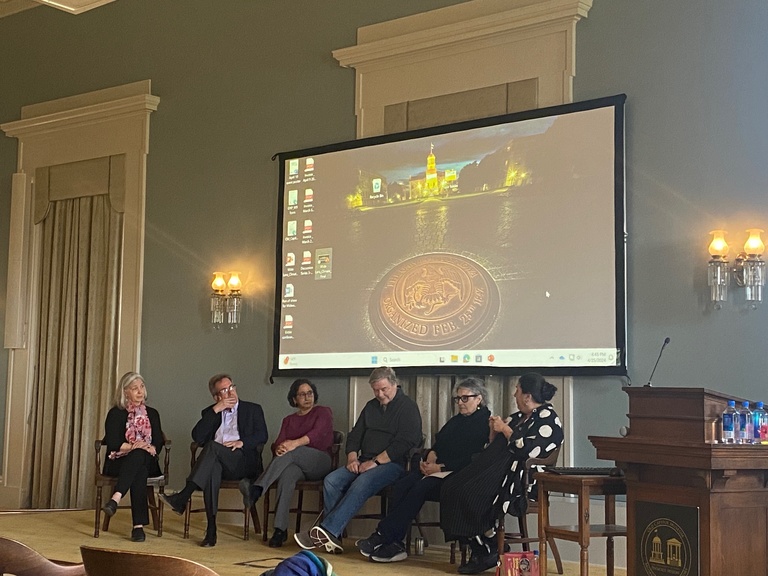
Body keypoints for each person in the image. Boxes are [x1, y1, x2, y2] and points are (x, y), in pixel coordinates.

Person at [356, 377, 492, 563]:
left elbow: (473, 459)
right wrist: (431, 456)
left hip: (459, 476)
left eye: (465, 398)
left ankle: (383, 535)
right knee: (402, 485)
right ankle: (395, 543)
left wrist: (440, 467)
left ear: (479, 399)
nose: (460, 403)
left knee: (421, 487)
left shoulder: (485, 423)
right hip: (436, 470)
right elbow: (439, 444)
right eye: (457, 399)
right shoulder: (457, 421)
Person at [440, 372, 564, 575]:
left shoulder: (548, 419)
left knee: (468, 492)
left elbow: (527, 450)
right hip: (495, 468)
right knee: (450, 487)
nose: (514, 394)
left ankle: (484, 547)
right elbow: (494, 445)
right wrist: (494, 432)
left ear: (527, 395)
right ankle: (483, 545)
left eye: (517, 390)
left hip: (518, 478)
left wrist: (505, 430)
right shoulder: (518, 417)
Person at [294, 366, 422, 554]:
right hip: (363, 461)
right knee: (332, 480)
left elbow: (405, 443)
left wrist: (376, 462)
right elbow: (355, 435)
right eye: (375, 390)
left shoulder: (408, 407)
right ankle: (333, 537)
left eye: (383, 389)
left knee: (363, 481)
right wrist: (352, 456)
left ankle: (328, 529)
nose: (379, 394)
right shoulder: (371, 406)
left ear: (394, 384)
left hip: (392, 464)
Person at [160, 373, 268, 547]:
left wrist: (242, 442)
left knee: (211, 447)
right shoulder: (211, 412)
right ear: (217, 397)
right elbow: (197, 436)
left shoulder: (252, 409)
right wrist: (215, 410)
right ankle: (211, 530)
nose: (231, 392)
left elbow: (262, 435)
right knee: (212, 467)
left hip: (241, 461)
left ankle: (184, 496)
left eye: (232, 387)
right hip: (218, 461)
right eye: (225, 390)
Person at [238, 378, 334, 547]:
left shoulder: (323, 412)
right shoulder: (289, 420)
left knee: (292, 452)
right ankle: (280, 530)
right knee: (287, 475)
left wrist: (293, 444)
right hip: (296, 463)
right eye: (302, 394)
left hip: (320, 461)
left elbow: (317, 434)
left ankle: (257, 488)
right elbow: (279, 442)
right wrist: (279, 449)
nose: (307, 397)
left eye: (310, 393)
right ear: (294, 399)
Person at [101, 371, 165, 542]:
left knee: (139, 458)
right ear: (125, 392)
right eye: (134, 388)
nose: (140, 391)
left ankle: (116, 498)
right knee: (139, 466)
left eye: (142, 387)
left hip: (148, 459)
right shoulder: (115, 413)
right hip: (119, 460)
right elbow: (114, 443)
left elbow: (157, 442)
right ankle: (138, 526)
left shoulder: (153, 414)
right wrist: (136, 447)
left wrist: (145, 448)